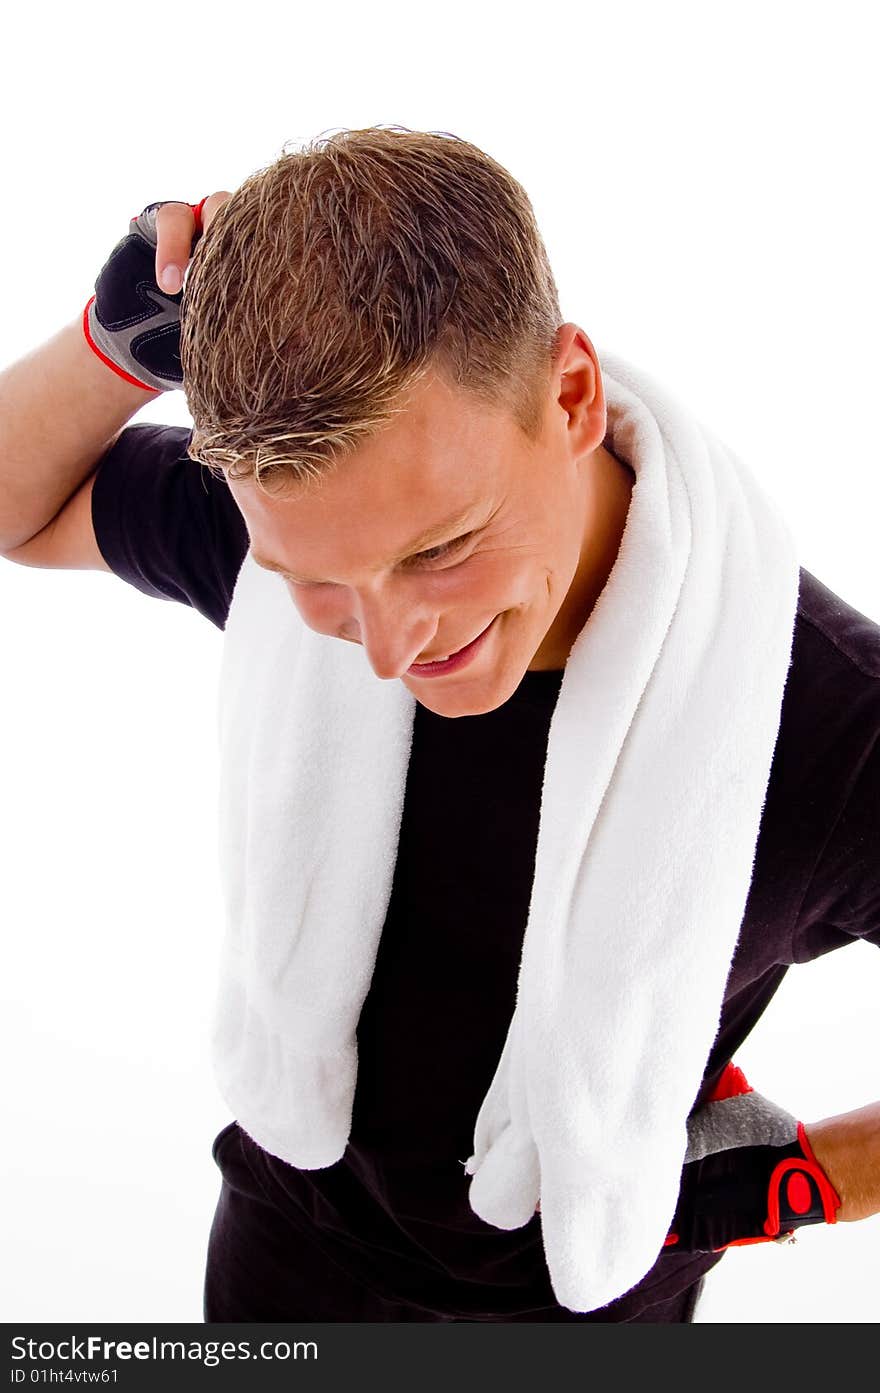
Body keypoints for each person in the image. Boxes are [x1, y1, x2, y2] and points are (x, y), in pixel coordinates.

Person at [1, 126, 878, 1324]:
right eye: (313, 576)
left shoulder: (829, 728)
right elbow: (18, 505)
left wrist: (801, 1186)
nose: (385, 647)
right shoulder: (308, 529)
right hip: (284, 1256)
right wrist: (116, 351)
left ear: (569, 398)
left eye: (442, 550)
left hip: (590, 1305)